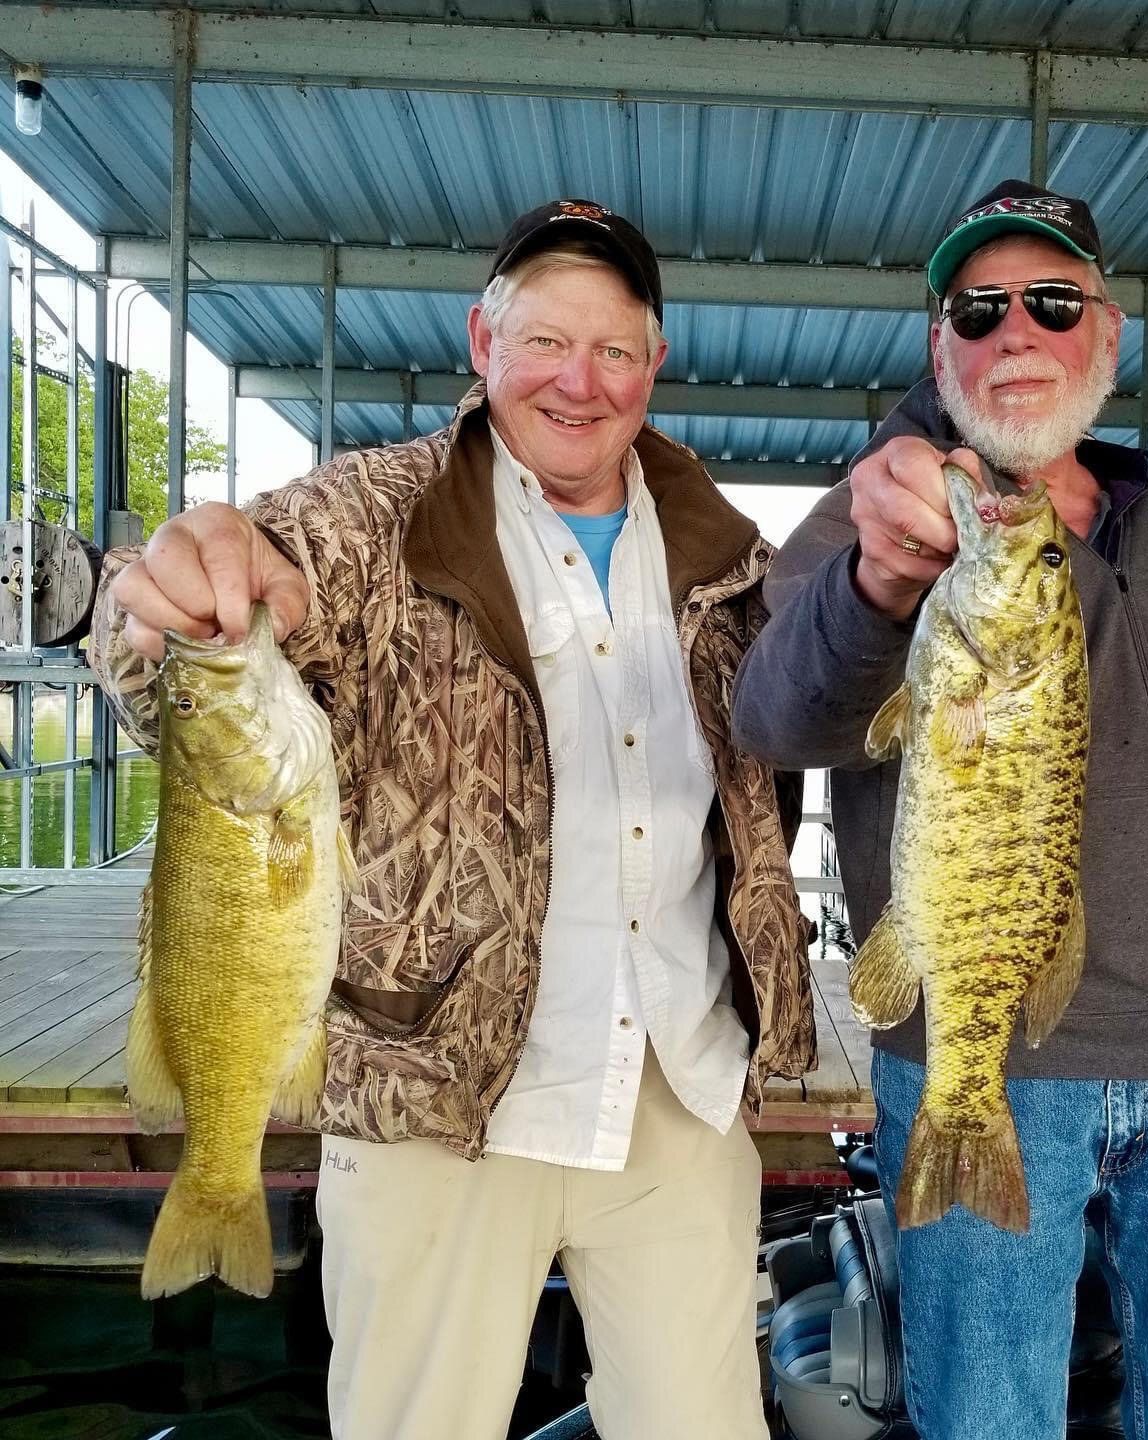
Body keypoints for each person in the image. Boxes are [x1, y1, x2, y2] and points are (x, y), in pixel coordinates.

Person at [89, 198, 817, 1440]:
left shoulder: (727, 549)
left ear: (655, 364)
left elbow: (780, 772)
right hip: (436, 1100)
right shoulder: (372, 515)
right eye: (543, 340)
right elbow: (179, 630)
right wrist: (168, 603)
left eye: (614, 350)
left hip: (676, 1092)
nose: (576, 382)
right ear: (482, 340)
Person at [731, 179, 1148, 1439]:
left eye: (1050, 300)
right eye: (978, 311)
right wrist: (876, 584)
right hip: (988, 1062)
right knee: (988, 1418)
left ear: (1109, 331)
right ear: (940, 345)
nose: (1014, 333)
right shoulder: (886, 516)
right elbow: (774, 715)